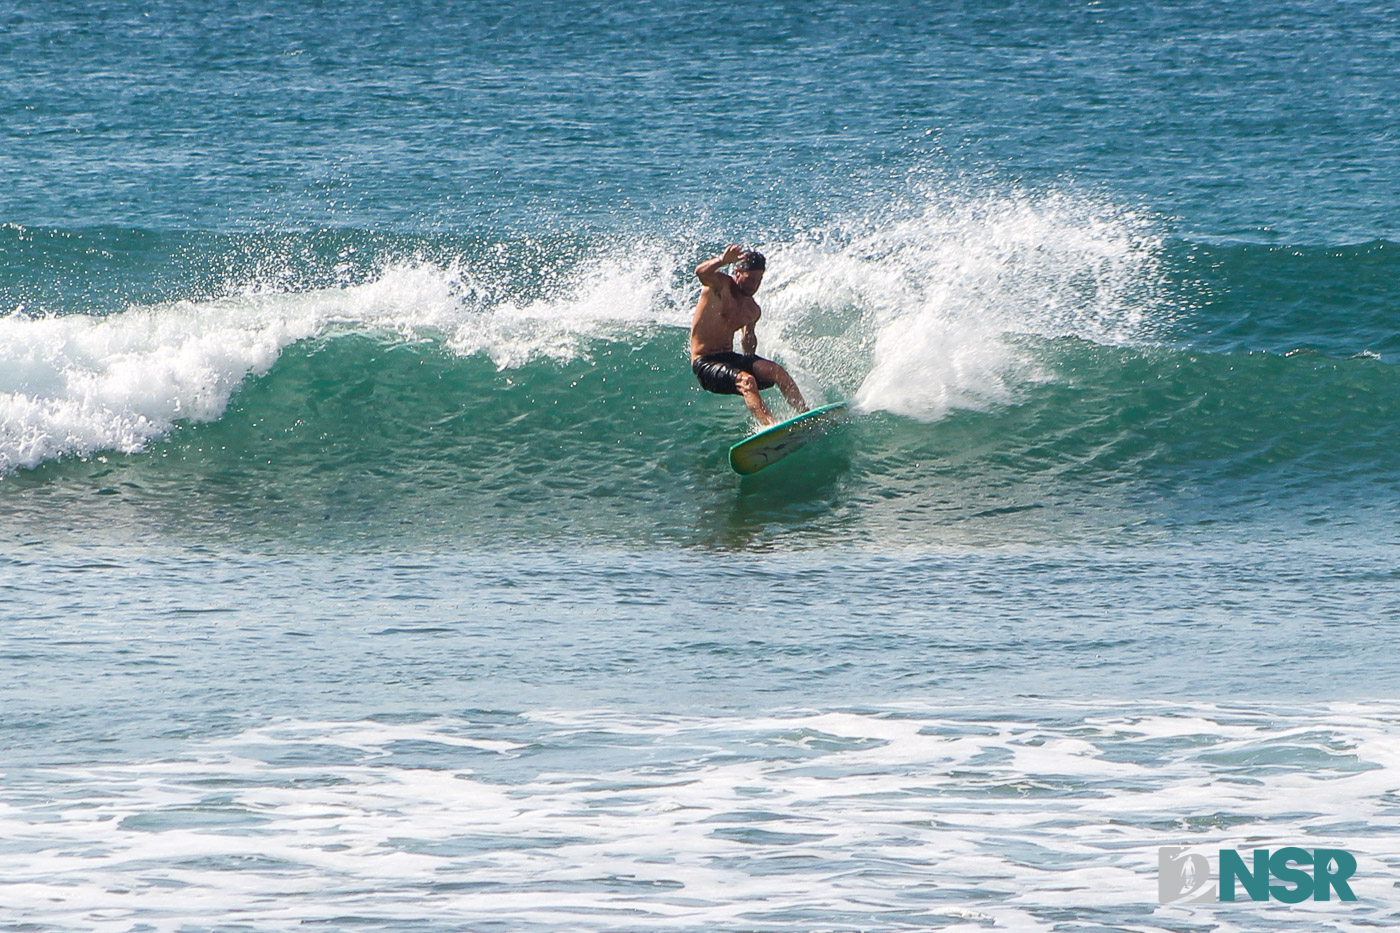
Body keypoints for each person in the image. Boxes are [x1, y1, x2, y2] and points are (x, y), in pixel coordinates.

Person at [689, 245, 807, 426]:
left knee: (777, 371)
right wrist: (722, 260)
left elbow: (748, 342)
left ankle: (805, 414)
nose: (754, 285)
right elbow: (701, 273)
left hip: (729, 358)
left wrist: (754, 361)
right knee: (747, 380)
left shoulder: (752, 310)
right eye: (750, 279)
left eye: (758, 280)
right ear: (737, 272)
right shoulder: (720, 286)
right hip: (705, 362)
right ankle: (770, 426)